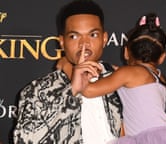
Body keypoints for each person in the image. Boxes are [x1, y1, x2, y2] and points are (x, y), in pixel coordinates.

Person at [71, 13, 166, 144]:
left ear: (126, 52)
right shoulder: (156, 76)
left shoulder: (128, 73)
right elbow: (115, 70)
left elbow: (89, 91)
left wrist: (76, 68)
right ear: (162, 57)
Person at [13, 0, 123, 143]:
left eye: (93, 35)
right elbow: (24, 140)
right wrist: (71, 92)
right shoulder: (37, 91)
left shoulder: (120, 83)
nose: (84, 43)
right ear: (62, 42)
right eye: (74, 36)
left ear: (104, 38)